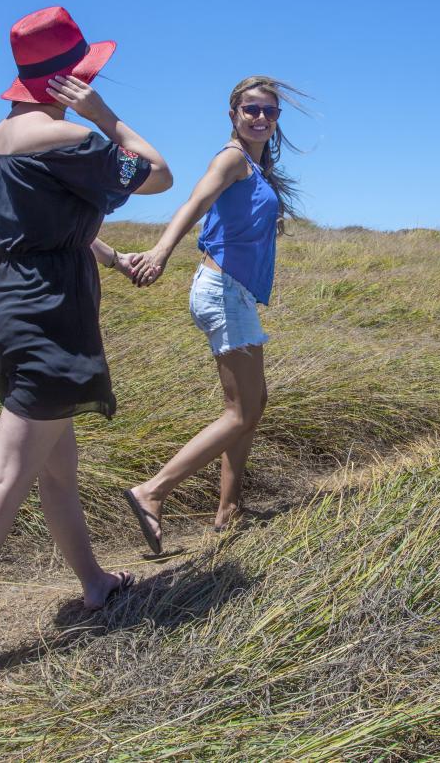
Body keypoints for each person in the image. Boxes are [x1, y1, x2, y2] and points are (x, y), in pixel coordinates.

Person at [0, 7, 172, 683]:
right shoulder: (67, 138)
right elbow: (158, 172)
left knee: (56, 467)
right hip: (45, 319)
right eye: (86, 75)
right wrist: (105, 112)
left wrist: (111, 258)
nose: (92, 82)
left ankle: (94, 583)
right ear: (67, 80)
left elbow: (50, 224)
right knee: (7, 476)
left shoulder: (5, 134)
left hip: (4, 307)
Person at [123, 75, 306, 554]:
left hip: (237, 293)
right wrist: (161, 250)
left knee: (254, 404)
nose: (261, 117)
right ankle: (152, 491)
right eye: (252, 109)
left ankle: (228, 509)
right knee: (239, 410)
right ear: (234, 114)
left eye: (269, 111)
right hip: (222, 291)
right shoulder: (231, 159)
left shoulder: (256, 168)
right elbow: (196, 202)